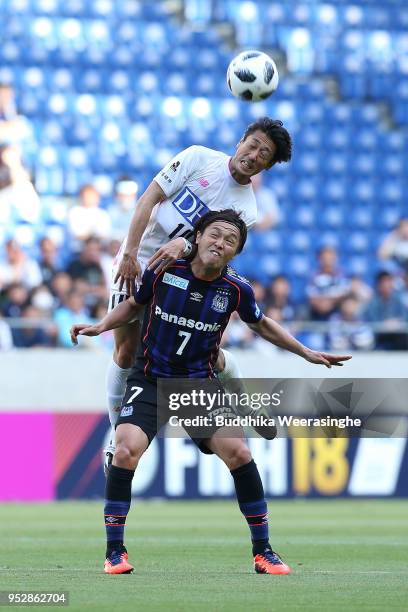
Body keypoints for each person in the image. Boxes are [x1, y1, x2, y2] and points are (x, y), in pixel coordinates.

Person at [71, 210, 351, 575]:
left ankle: (263, 551)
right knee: (124, 450)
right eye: (215, 235)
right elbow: (134, 305)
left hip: (197, 385)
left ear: (235, 252)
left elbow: (262, 324)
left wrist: (306, 352)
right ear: (199, 237)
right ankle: (114, 553)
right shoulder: (165, 270)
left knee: (239, 452)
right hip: (151, 378)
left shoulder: (236, 289)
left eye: (230, 240)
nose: (220, 243)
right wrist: (101, 325)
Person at [104, 117, 293, 468]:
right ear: (240, 140)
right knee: (126, 352)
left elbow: (214, 249)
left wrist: (185, 247)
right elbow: (149, 199)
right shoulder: (196, 158)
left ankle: (244, 398)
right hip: (137, 264)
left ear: (266, 165)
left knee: (202, 357)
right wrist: (130, 252)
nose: (253, 155)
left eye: (263, 154)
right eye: (252, 145)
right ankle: (115, 439)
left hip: (183, 280)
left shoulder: (246, 210)